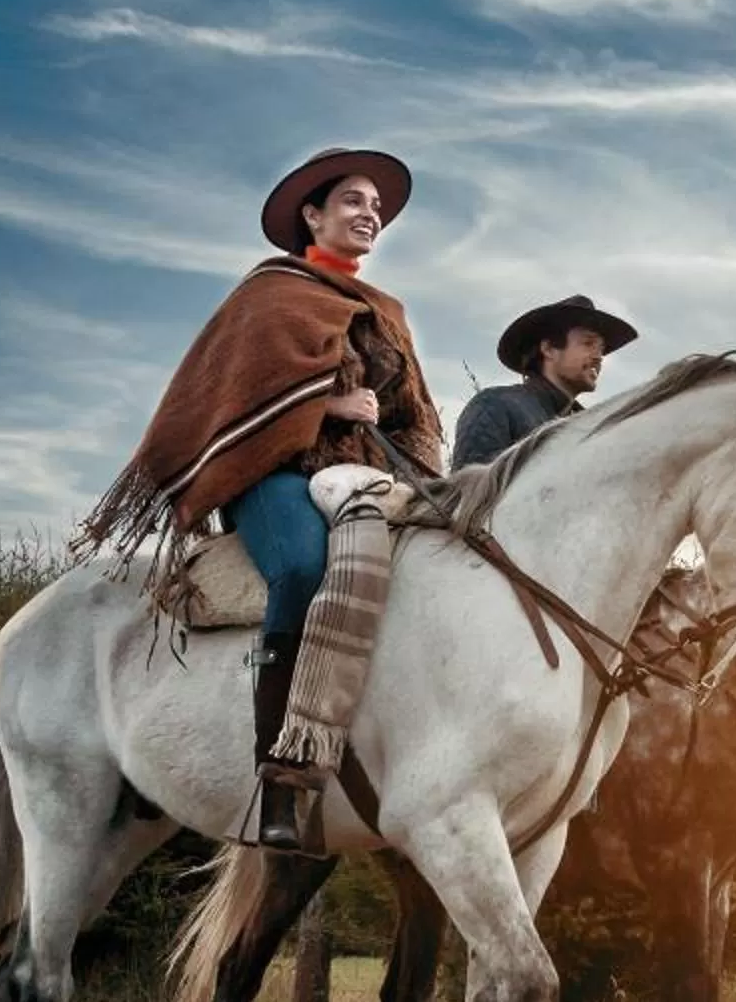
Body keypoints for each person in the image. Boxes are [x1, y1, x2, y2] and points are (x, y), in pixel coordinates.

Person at [76, 148, 444, 848]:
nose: (369, 214)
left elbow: (413, 416)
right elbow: (234, 403)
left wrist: (427, 482)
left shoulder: (387, 311)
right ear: (314, 214)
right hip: (273, 473)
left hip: (365, 478)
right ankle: (280, 772)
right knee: (303, 567)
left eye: (376, 207)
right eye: (353, 202)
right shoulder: (268, 294)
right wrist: (331, 408)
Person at [450, 293, 639, 468]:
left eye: (601, 348)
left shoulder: (592, 427)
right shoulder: (495, 406)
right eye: (588, 343)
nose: (599, 357)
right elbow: (469, 496)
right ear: (549, 349)